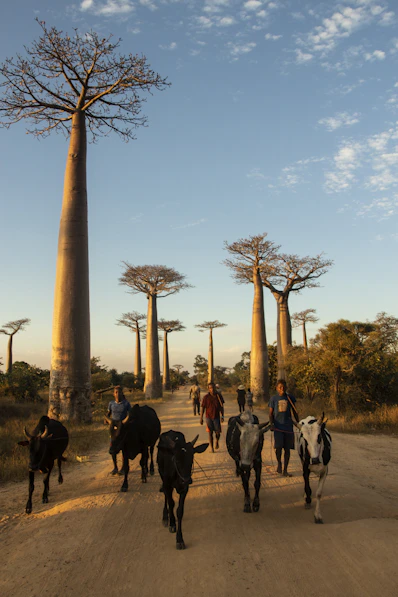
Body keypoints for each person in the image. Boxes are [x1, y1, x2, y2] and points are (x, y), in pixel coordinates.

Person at [269, 379, 299, 477]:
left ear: (286, 387)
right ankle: (279, 464)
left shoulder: (290, 398)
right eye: (280, 387)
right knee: (278, 447)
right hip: (278, 427)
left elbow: (295, 411)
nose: (282, 389)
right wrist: (271, 424)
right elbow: (270, 413)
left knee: (287, 449)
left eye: (284, 387)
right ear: (277, 388)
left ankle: (285, 470)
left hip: (288, 427)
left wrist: (298, 424)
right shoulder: (273, 399)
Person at [106, 386, 131, 475]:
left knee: (124, 448)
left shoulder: (126, 404)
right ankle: (115, 467)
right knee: (113, 447)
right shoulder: (111, 404)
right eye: (116, 392)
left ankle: (123, 467)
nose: (117, 394)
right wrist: (106, 419)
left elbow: (129, 415)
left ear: (122, 393)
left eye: (119, 392)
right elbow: (108, 414)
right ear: (113, 394)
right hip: (113, 427)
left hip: (122, 428)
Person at [200, 382, 224, 453]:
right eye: (210, 388)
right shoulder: (206, 397)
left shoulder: (219, 396)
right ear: (208, 389)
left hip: (216, 417)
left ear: (215, 388)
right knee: (210, 433)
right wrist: (201, 418)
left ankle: (217, 441)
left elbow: (222, 407)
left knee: (218, 433)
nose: (212, 389)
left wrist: (222, 416)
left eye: (213, 388)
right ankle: (212, 448)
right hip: (208, 417)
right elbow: (203, 408)